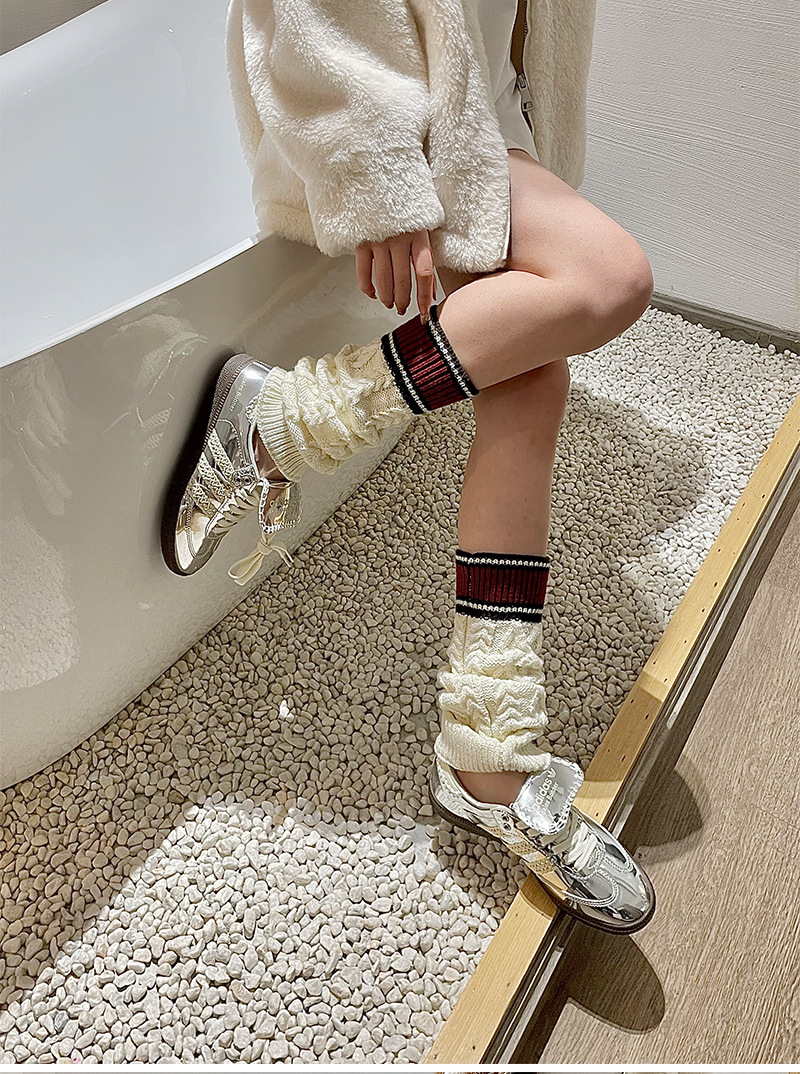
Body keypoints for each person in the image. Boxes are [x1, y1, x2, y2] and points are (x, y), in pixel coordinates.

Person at [161, 0, 656, 933]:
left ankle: (487, 755)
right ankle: (288, 423)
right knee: (609, 276)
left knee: (531, 383)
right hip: (389, 102)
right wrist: (372, 166)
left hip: (481, 100)